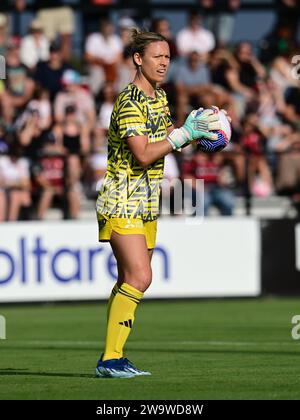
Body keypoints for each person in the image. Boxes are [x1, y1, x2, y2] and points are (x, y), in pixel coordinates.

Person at [94, 28, 225, 378]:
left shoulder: (160, 98)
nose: (165, 63)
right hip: (122, 197)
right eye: (158, 56)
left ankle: (113, 356)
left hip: (147, 200)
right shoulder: (129, 101)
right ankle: (110, 359)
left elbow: (165, 143)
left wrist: (202, 132)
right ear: (138, 59)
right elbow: (141, 154)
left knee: (130, 278)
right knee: (141, 275)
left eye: (168, 57)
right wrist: (184, 133)